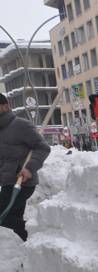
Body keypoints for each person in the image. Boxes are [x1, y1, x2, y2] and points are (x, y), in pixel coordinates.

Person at [0, 93, 51, 241]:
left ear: (5, 106)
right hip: (8, 182)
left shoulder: (21, 125)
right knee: (13, 219)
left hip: (22, 181)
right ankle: (29, 251)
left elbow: (43, 148)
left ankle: (37, 233)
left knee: (4, 216)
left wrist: (30, 168)